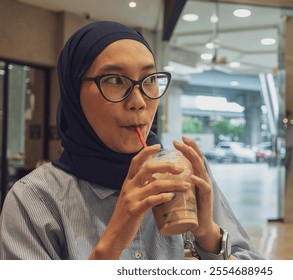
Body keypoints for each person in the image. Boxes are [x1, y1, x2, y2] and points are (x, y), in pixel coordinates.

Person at [0, 21, 262, 260]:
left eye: (149, 80)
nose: (138, 102)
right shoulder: (34, 200)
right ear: (73, 93)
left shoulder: (181, 172)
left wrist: (209, 236)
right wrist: (111, 244)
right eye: (115, 80)